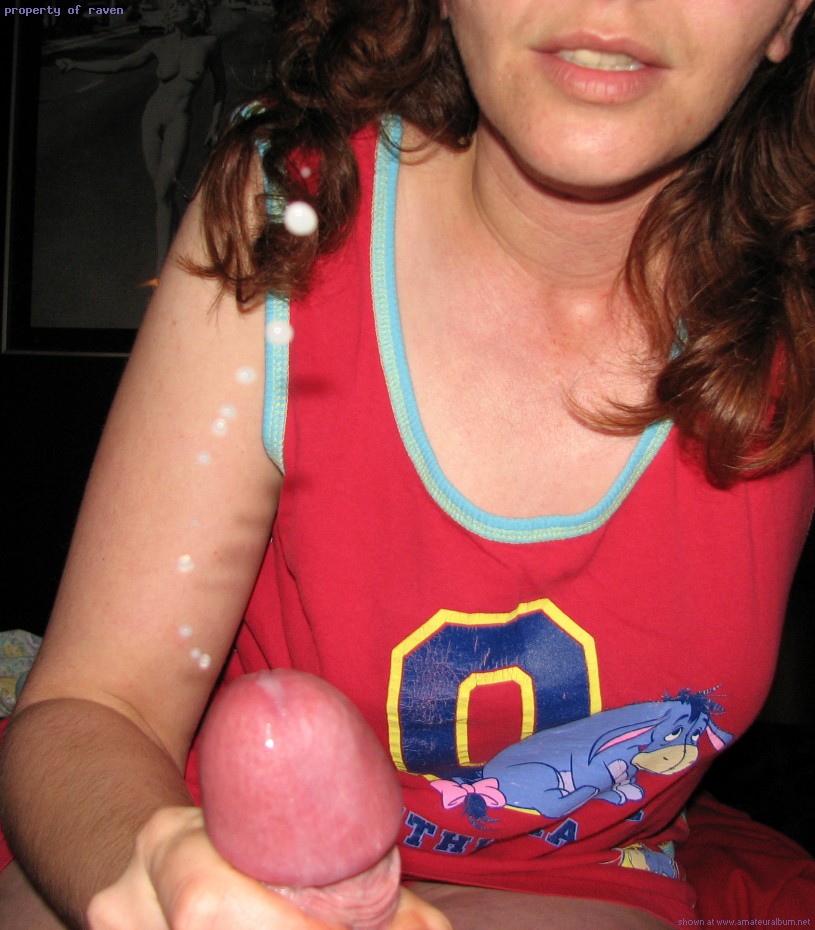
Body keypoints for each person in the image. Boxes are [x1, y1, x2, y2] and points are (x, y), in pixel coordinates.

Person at [2, 1, 814, 928]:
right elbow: (99, 706)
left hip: (574, 877)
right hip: (203, 823)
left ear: (789, 12)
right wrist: (167, 875)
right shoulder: (288, 216)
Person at [56, 0, 226, 275]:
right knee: (162, 195)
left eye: (179, 5)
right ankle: (170, 254)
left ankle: (162, 266)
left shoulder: (209, 44)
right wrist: (75, 64)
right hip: (151, 119)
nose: (172, 9)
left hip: (179, 120)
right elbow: (118, 65)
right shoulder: (159, 44)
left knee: (164, 190)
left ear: (195, 10)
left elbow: (221, 85)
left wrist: (215, 124)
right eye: (171, 6)